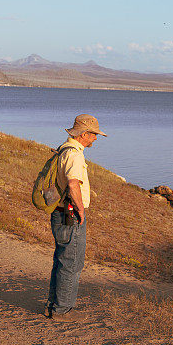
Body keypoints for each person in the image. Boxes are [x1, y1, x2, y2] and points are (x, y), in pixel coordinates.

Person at [46, 114, 107, 321]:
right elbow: (73, 184)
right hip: (69, 215)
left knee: (62, 260)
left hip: (60, 213)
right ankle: (62, 311)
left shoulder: (64, 149)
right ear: (84, 134)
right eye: (94, 135)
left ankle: (53, 305)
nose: (96, 139)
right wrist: (81, 210)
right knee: (71, 263)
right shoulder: (74, 155)